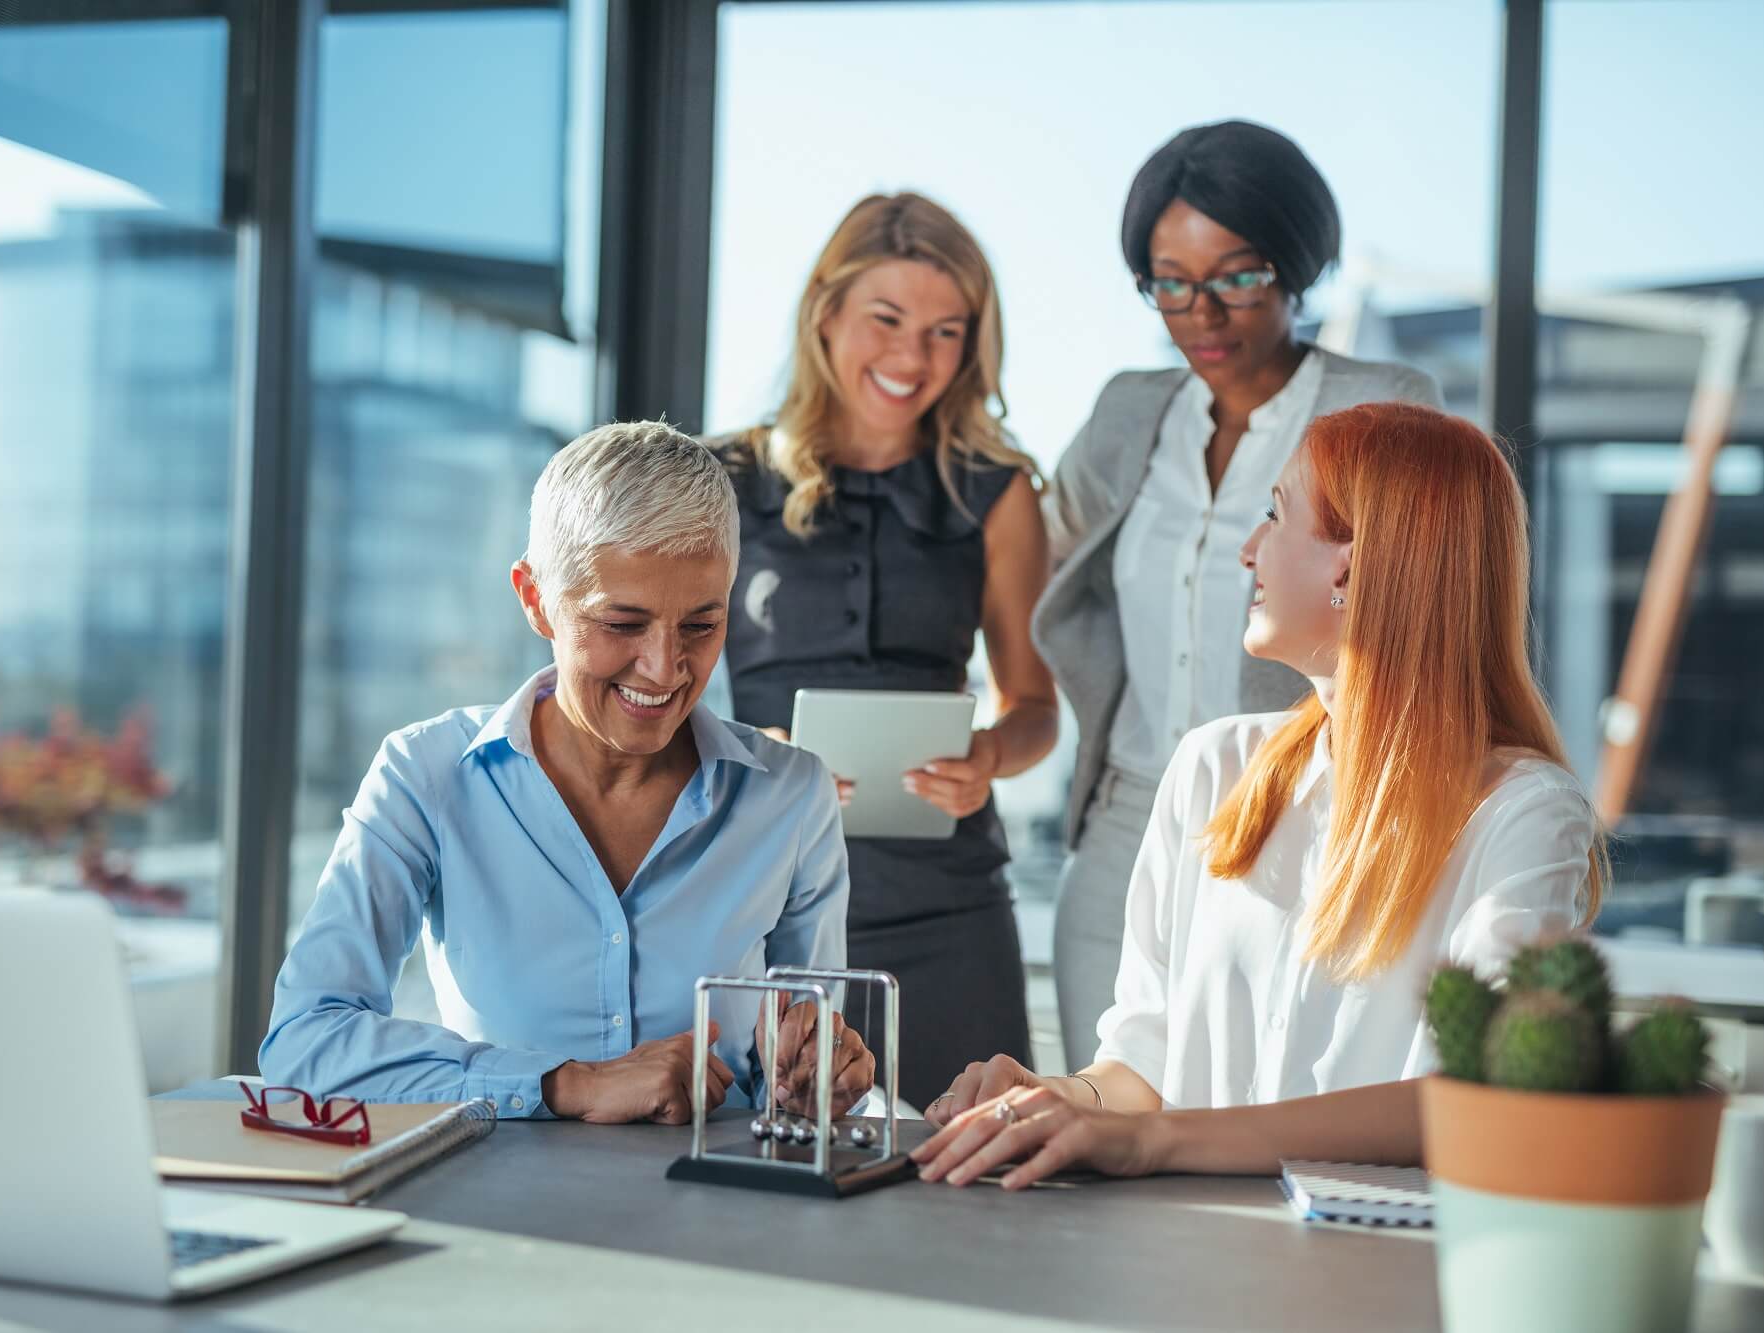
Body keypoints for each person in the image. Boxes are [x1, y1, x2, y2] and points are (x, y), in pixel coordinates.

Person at [916, 401, 1606, 1187]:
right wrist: (1054, 1097)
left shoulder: (1523, 811)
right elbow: (1139, 1071)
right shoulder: (1212, 768)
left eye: (1274, 516)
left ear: (1350, 565)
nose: (1249, 551)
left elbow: (1481, 1095)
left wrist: (1154, 1141)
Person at [261, 421, 873, 1122]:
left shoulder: (791, 797)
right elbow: (305, 1040)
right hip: (491, 1210)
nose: (664, 667)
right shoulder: (424, 775)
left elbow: (800, 1073)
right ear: (534, 598)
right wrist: (567, 1084)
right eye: (622, 623)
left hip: (715, 1214)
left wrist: (810, 1084)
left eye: (700, 625)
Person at [1036, 120, 1445, 1069]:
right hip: (1127, 826)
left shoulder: (1384, 404)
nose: (1203, 314)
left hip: (1308, 818)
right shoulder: (1128, 414)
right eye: (1169, 282)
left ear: (1297, 267)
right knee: (1106, 1109)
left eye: (1238, 275)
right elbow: (1041, 554)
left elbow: (1445, 611)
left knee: (1264, 1121)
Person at [711, 192, 1059, 1108]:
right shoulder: (720, 479)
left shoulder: (999, 491)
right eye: (888, 319)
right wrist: (757, 760)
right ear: (825, 313)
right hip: (761, 899)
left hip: (950, 907)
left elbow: (1035, 706)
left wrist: (987, 756)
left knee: (977, 1180)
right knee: (770, 1181)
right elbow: (648, 697)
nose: (914, 357)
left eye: (947, 331)